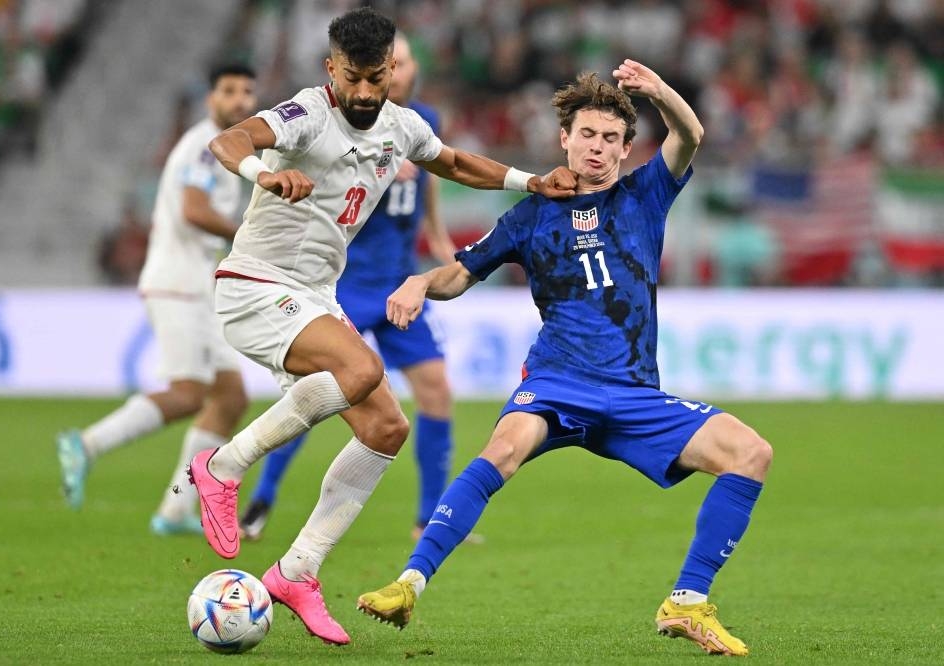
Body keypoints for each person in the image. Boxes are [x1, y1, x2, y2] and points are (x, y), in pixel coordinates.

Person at [357, 61, 772, 658]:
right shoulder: (531, 212)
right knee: (501, 450)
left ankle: (687, 602)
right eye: (587, 135)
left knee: (751, 453)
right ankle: (408, 584)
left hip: (633, 393)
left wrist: (658, 92)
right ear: (564, 139)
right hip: (557, 381)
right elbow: (461, 274)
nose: (597, 148)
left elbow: (691, 136)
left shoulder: (646, 195)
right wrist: (421, 281)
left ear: (628, 149)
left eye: (610, 138)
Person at [186, 7, 573, 647]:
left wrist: (530, 180)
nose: (366, 93)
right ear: (330, 70)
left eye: (378, 77)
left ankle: (297, 569)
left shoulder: (401, 126)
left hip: (314, 294)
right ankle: (224, 467)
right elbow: (226, 142)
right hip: (255, 283)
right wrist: (265, 171)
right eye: (354, 79)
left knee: (388, 426)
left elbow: (452, 163)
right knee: (361, 369)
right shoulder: (306, 113)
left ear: (392, 68)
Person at [238, 33, 473, 546]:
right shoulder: (344, 124)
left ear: (398, 69)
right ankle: (263, 498)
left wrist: (435, 235)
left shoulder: (420, 123)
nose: (400, 73)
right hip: (345, 281)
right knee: (323, 394)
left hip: (399, 279)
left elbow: (435, 174)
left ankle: (428, 517)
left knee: (436, 390)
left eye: (403, 65)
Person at [56, 64, 257, 535]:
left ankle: (175, 508)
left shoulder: (225, 147)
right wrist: (249, 233)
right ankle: (86, 444)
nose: (240, 100)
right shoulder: (207, 147)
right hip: (178, 281)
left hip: (200, 285)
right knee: (189, 394)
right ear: (211, 97)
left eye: (247, 92)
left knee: (230, 396)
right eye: (229, 91)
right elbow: (194, 210)